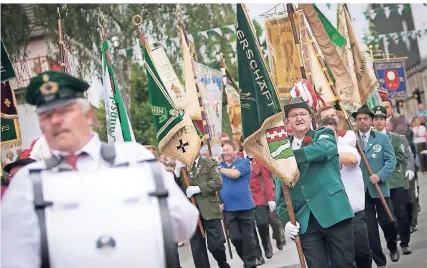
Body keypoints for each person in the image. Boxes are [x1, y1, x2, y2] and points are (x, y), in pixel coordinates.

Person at [1, 71, 199, 268]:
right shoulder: (28, 183)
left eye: (64, 111)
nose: (55, 120)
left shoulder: (134, 159)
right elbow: (11, 257)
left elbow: (184, 225)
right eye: (46, 115)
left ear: (87, 115)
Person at [276, 97, 355, 268]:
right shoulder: (282, 149)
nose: (299, 118)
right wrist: (285, 221)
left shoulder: (323, 134)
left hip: (334, 211)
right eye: (294, 115)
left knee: (344, 264)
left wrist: (289, 158)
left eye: (303, 114)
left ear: (311, 117)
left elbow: (323, 150)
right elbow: (280, 190)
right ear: (288, 121)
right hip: (305, 220)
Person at [319, 110, 372, 268]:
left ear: (337, 134)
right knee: (342, 259)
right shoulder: (317, 153)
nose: (327, 137)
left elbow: (351, 160)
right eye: (323, 134)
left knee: (362, 252)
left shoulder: (347, 148)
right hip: (334, 215)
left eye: (331, 133)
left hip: (354, 212)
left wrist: (323, 152)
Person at [353, 104, 398, 267]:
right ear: (356, 122)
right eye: (359, 119)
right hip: (362, 192)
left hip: (380, 189)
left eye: (366, 118)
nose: (363, 121)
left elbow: (391, 161)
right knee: (370, 229)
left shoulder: (381, 138)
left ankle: (392, 245)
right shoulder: (352, 140)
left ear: (371, 121)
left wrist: (380, 175)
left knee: (388, 222)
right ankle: (380, 261)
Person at [177, 153, 231, 268]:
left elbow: (218, 182)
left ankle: (222, 263)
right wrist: (176, 175)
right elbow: (176, 190)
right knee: (198, 251)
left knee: (216, 246)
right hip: (192, 213)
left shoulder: (208, 163)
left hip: (209, 209)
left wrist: (199, 188)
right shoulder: (182, 168)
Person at [372, 105, 413, 256]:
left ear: (386, 120)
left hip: (395, 180)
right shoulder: (369, 140)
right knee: (385, 218)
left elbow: (402, 156)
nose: (378, 122)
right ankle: (392, 244)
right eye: (375, 119)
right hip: (379, 183)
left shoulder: (396, 138)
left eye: (381, 119)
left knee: (401, 213)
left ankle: (404, 243)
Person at [219, 140, 258, 268]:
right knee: (235, 238)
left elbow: (235, 175)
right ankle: (247, 260)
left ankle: (249, 264)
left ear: (236, 151)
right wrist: (218, 202)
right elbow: (216, 186)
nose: (225, 153)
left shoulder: (244, 162)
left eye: (228, 150)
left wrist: (220, 169)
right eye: (223, 150)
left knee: (248, 238)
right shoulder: (220, 165)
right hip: (228, 208)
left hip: (245, 206)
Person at [248, 157, 277, 263]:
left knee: (262, 224)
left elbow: (266, 178)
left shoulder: (259, 158)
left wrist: (270, 198)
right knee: (250, 229)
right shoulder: (239, 158)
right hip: (246, 200)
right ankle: (258, 256)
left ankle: (267, 245)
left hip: (259, 198)